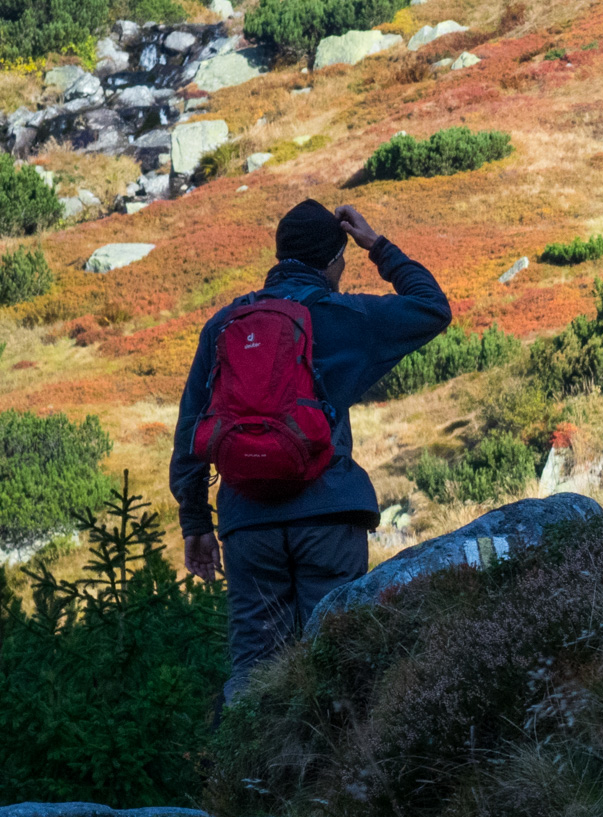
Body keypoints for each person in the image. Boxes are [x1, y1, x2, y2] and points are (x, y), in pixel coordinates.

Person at [170, 199, 451, 703]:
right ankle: (341, 777)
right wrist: (378, 246)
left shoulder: (225, 326)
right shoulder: (342, 315)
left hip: (247, 524)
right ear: (334, 260)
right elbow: (431, 307)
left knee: (256, 672)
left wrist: (195, 523)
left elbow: (192, 427)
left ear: (280, 254)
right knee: (339, 658)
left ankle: (254, 780)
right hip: (327, 515)